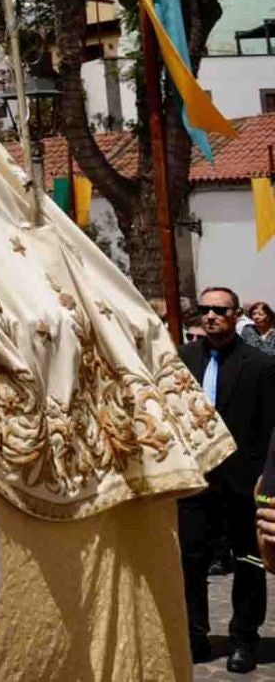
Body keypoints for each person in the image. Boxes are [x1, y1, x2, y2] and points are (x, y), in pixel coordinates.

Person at [180, 286, 275, 672]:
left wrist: (266, 482)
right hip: (194, 484)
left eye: (219, 309)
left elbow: (271, 428)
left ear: (236, 315)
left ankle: (244, 639)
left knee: (249, 562)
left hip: (242, 485)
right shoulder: (183, 360)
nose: (211, 315)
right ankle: (194, 635)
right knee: (190, 562)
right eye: (205, 309)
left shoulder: (260, 365)